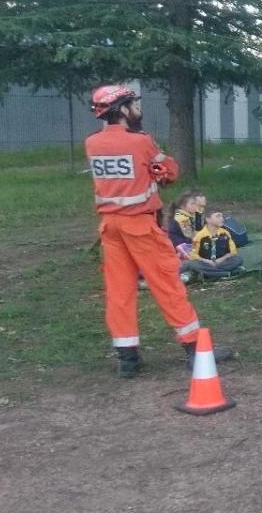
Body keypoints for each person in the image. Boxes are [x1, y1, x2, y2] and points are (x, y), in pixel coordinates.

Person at [84, 84, 230, 377]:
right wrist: (158, 173)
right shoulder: (141, 142)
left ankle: (128, 359)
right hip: (140, 225)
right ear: (122, 110)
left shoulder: (92, 143)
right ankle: (193, 349)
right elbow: (171, 171)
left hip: (110, 228)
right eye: (134, 104)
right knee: (167, 283)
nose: (138, 109)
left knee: (119, 291)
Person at [189, 210, 244, 279]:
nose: (222, 218)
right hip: (206, 263)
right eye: (218, 216)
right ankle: (226, 273)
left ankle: (208, 274)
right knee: (193, 264)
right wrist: (207, 261)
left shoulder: (225, 233)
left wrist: (220, 260)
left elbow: (233, 252)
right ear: (208, 219)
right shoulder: (199, 236)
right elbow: (194, 255)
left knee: (238, 259)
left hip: (222, 262)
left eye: (221, 216)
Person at [167, 190, 199, 257]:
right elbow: (189, 235)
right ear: (183, 206)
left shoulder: (188, 214)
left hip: (183, 239)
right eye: (192, 204)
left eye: (196, 203)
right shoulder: (182, 218)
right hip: (178, 242)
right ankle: (181, 253)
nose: (196, 206)